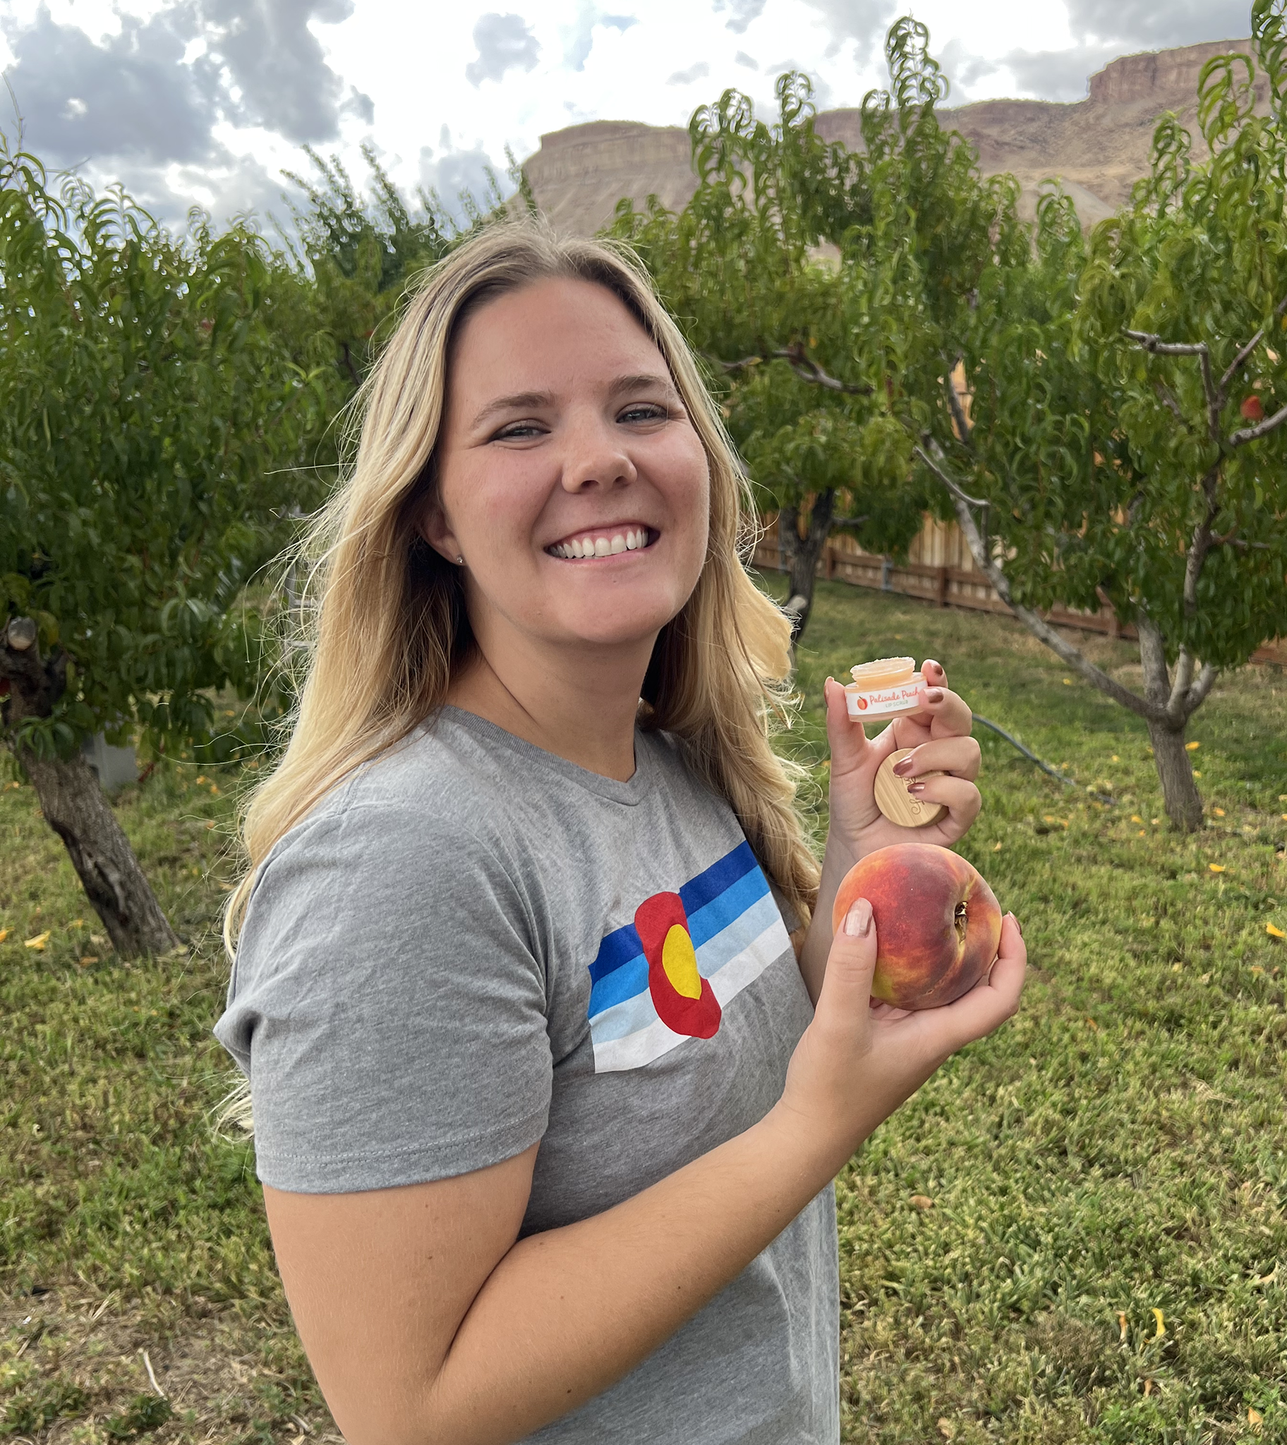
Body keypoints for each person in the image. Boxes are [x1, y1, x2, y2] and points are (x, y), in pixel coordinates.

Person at [213, 223, 1025, 1445]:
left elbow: (717, 1053)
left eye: (641, 409)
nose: (597, 460)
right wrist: (820, 1124)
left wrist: (856, 865)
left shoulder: (660, 756)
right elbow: (407, 1401)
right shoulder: (403, 859)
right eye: (520, 426)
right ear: (432, 513)